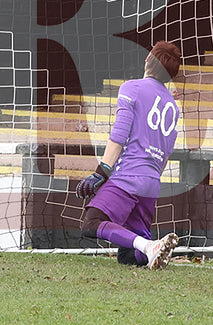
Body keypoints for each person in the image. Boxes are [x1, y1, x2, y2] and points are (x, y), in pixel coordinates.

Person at [76, 41, 183, 269]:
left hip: (128, 176)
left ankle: (149, 247)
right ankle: (151, 250)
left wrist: (101, 172)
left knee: (91, 223)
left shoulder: (131, 88)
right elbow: (165, 152)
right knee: (127, 256)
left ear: (147, 60)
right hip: (152, 182)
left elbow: (119, 134)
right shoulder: (173, 106)